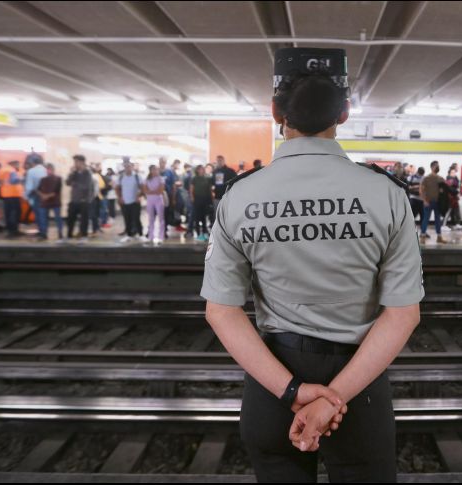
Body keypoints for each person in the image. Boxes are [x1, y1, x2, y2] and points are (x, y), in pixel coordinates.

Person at [200, 47, 422, 483]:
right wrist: (333, 397)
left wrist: (294, 391)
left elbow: (221, 311)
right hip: (359, 392)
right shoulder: (387, 194)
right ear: (344, 113)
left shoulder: (240, 196)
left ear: (274, 112)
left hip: (273, 388)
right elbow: (402, 314)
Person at [65, 155, 93, 241]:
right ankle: (69, 236)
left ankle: (84, 236)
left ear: (82, 162)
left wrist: (75, 184)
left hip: (84, 200)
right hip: (74, 200)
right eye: (74, 162)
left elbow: (86, 186)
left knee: (84, 220)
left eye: (76, 162)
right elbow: (67, 183)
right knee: (70, 219)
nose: (75, 164)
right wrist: (71, 173)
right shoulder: (75, 173)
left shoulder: (87, 173)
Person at [419, 160, 447, 244]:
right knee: (426, 219)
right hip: (428, 201)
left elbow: (443, 191)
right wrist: (424, 200)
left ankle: (439, 237)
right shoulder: (426, 178)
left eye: (438, 165)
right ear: (431, 167)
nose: (438, 167)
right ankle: (423, 236)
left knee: (438, 220)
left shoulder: (441, 178)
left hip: (438, 202)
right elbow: (421, 190)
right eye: (436, 166)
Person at [116, 160, 144, 243]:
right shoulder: (121, 177)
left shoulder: (137, 176)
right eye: (126, 166)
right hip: (125, 202)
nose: (127, 168)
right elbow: (117, 188)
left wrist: (139, 196)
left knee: (136, 218)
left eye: (129, 166)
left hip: (135, 202)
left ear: (132, 167)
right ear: (124, 167)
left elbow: (142, 188)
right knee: (127, 219)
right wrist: (120, 197)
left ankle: (141, 234)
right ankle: (129, 235)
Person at [36, 163, 64, 241]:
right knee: (43, 218)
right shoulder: (43, 179)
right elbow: (38, 189)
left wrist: (46, 196)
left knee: (58, 218)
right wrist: (42, 195)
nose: (48, 171)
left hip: (55, 201)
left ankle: (60, 233)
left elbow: (57, 191)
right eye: (47, 169)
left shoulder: (58, 178)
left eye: (49, 169)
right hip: (45, 202)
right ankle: (43, 233)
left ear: (53, 170)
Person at [0, 160, 24, 238]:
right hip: (13, 195)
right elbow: (13, 181)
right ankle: (14, 231)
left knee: (8, 214)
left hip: (6, 195)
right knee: (15, 214)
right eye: (18, 164)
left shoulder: (2, 170)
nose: (19, 166)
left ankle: (10, 231)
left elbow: (1, 182)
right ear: (14, 164)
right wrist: (22, 178)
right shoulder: (11, 170)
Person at [24, 154, 47, 240]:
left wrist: (25, 196)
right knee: (43, 214)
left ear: (32, 163)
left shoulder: (31, 171)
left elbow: (29, 187)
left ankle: (42, 233)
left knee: (38, 214)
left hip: (36, 195)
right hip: (46, 196)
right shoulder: (45, 170)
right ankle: (43, 232)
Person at [143, 164, 166, 246]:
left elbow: (160, 190)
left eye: (156, 169)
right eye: (154, 169)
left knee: (161, 218)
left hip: (159, 200)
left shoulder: (161, 179)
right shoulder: (147, 179)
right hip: (150, 201)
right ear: (150, 170)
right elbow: (145, 190)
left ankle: (161, 237)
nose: (155, 171)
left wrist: (151, 192)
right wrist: (153, 192)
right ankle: (150, 236)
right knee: (150, 219)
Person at [188, 164, 212, 242]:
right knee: (197, 217)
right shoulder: (194, 178)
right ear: (198, 170)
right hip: (197, 199)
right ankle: (198, 234)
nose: (203, 170)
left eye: (203, 169)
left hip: (205, 199)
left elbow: (209, 189)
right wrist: (192, 198)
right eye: (201, 169)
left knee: (204, 217)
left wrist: (210, 199)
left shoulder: (206, 178)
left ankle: (205, 233)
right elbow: (191, 189)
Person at [443, 163, 462, 229]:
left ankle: (457, 223)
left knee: (456, 210)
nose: (454, 173)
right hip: (451, 197)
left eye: (454, 172)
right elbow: (450, 189)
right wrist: (456, 192)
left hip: (454, 197)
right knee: (449, 211)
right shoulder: (449, 178)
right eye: (452, 172)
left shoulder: (454, 178)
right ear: (450, 172)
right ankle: (444, 225)